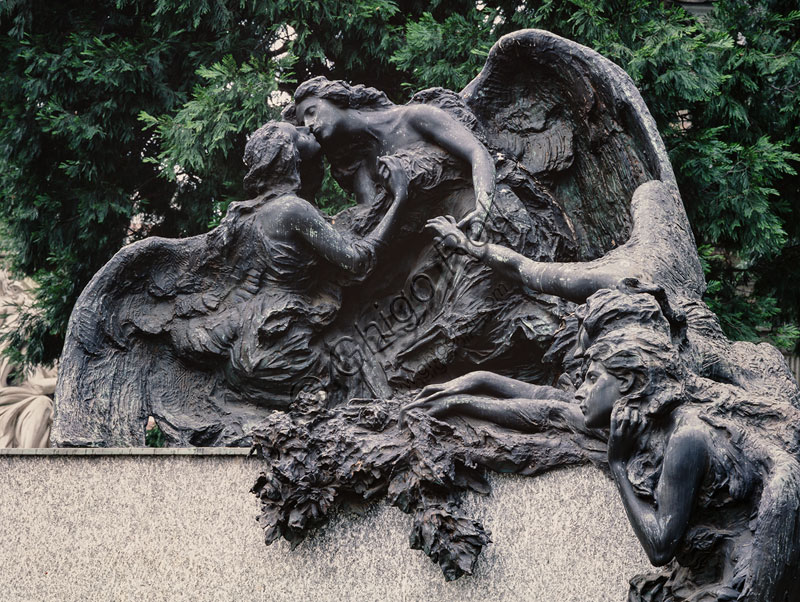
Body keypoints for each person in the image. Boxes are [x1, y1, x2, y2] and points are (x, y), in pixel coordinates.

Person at [405, 289, 800, 601]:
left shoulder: (686, 438)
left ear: (627, 383)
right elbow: (548, 406)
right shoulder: (632, 418)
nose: (581, 389)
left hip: (729, 578)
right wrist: (472, 387)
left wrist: (618, 465)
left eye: (592, 379)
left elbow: (660, 546)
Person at [287, 76, 496, 230]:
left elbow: (477, 152)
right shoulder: (362, 172)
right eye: (303, 122)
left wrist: (483, 206)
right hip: (442, 240)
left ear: (335, 98)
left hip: (485, 211)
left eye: (311, 112)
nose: (309, 124)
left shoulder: (414, 117)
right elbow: (374, 233)